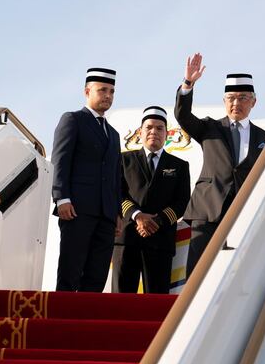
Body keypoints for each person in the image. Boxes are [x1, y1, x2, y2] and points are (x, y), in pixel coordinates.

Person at [175, 52, 265, 277]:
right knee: (199, 274)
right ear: (224, 101)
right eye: (231, 98)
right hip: (208, 211)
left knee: (238, 275)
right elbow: (182, 115)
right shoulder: (210, 129)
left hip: (244, 215)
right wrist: (188, 84)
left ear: (253, 102)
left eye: (243, 98)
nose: (236, 103)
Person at [51, 67, 123, 292]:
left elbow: (115, 176)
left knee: (96, 277)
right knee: (70, 272)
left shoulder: (113, 134)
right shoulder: (73, 119)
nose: (108, 96)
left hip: (106, 216)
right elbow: (60, 160)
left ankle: (84, 325)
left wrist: (118, 213)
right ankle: (60, 323)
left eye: (111, 91)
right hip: (76, 210)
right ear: (87, 91)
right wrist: (61, 198)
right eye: (102, 90)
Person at [112, 106, 190, 294]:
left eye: (159, 128)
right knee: (120, 300)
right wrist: (137, 216)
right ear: (140, 132)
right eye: (149, 127)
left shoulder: (179, 166)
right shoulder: (124, 160)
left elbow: (181, 202)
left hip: (160, 240)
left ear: (166, 133)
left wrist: (157, 221)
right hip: (127, 237)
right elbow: (116, 193)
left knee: (156, 300)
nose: (153, 132)